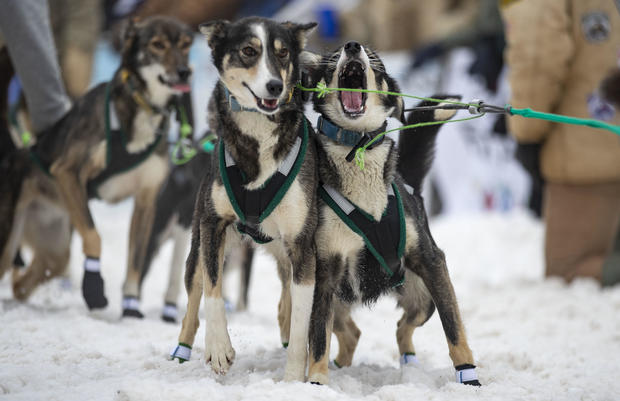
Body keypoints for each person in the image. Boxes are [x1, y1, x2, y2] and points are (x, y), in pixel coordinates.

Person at [501, 0, 620, 284]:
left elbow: (537, 59)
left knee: (569, 274)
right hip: (603, 139)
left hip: (588, 152)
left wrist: (527, 134)